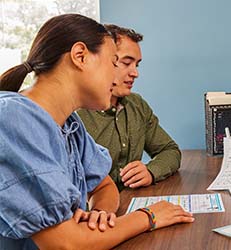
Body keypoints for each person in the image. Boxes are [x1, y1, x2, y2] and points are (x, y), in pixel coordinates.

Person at [0, 14, 193, 249]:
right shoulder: (13, 120)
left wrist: (99, 214)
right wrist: (148, 216)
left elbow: (104, 186)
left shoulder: (70, 124)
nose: (118, 75)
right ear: (80, 56)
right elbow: (67, 244)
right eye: (114, 63)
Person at [77, 24, 181, 191]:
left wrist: (150, 171)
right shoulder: (75, 117)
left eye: (137, 65)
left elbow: (170, 150)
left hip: (130, 204)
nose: (135, 73)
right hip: (97, 214)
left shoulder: (136, 105)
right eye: (126, 63)